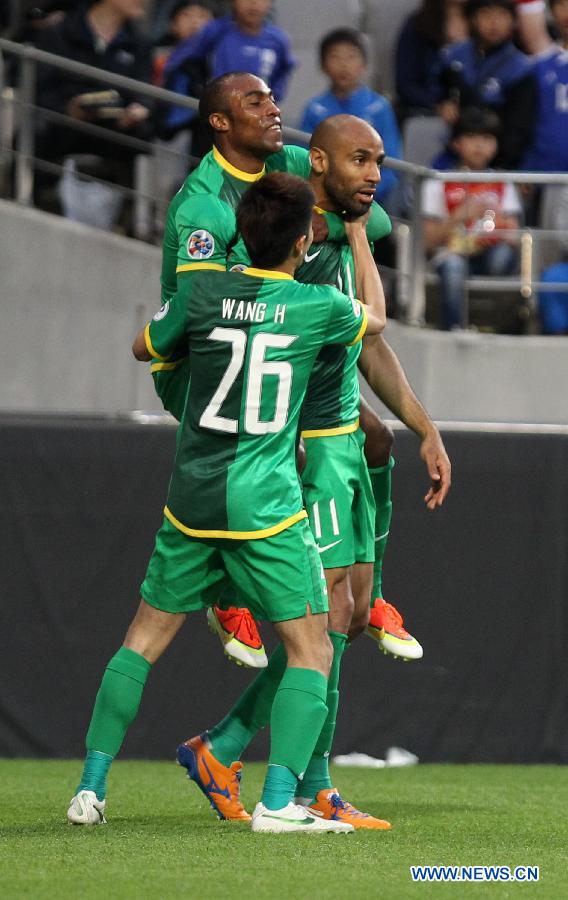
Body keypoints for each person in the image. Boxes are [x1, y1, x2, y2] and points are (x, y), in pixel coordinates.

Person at [66, 170, 387, 833]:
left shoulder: (202, 289)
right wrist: (356, 235)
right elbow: (375, 319)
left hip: (192, 497)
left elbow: (143, 346)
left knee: (140, 642)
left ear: (242, 232)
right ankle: (277, 804)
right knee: (312, 648)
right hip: (264, 503)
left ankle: (90, 792)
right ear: (303, 241)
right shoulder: (317, 305)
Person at [176, 115, 451, 831]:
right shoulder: (287, 235)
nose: (374, 176)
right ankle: (286, 777)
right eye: (362, 161)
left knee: (349, 619)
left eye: (381, 163)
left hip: (344, 448)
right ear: (318, 163)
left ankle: (247, 754)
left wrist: (425, 427)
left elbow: (370, 347)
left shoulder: (340, 234)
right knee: (322, 625)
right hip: (309, 450)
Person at [156, 72, 445, 669]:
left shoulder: (287, 159)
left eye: (271, 96)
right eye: (254, 101)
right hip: (205, 360)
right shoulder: (205, 205)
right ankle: (225, 594)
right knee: (269, 465)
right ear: (219, 122)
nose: (273, 107)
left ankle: (375, 596)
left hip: (286, 352)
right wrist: (309, 228)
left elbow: (379, 223)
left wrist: (323, 225)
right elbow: (203, 313)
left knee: (375, 438)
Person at [35, 0, 154, 230]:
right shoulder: (58, 33)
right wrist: (68, 108)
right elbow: (40, 91)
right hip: (62, 135)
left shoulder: (139, 44)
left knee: (142, 137)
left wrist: (137, 111)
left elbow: (144, 93)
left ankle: (129, 220)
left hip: (115, 137)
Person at [422, 107, 521, 330]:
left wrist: (498, 225)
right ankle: (454, 329)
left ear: (496, 145)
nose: (479, 145)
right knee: (454, 266)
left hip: (490, 254)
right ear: (456, 143)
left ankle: (498, 328)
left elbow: (515, 236)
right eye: (471, 137)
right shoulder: (437, 181)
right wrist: (458, 216)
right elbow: (427, 242)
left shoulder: (504, 182)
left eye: (487, 138)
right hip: (451, 252)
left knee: (503, 256)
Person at [299, 28, 402, 212]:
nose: (343, 65)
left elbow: (392, 163)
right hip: (325, 202)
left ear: (364, 64)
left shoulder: (380, 107)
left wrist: (365, 194)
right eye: (335, 57)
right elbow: (306, 161)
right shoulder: (314, 109)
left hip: (374, 202)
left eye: (351, 57)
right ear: (322, 65)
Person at [437, 0, 536, 169]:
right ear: (474, 18)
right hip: (455, 154)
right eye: (486, 14)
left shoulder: (521, 69)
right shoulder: (454, 56)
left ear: (513, 21)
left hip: (501, 161)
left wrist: (503, 168)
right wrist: (443, 102)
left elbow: (519, 129)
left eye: (501, 16)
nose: (494, 23)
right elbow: (435, 89)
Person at [163, 0, 296, 104]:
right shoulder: (216, 30)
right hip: (218, 107)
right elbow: (181, 57)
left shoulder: (278, 40)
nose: (253, 3)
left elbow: (284, 72)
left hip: (257, 110)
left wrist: (271, 98)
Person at [395, 0, 469, 120]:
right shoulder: (418, 26)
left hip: (475, 112)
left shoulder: (487, 23)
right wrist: (438, 105)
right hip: (427, 111)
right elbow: (406, 84)